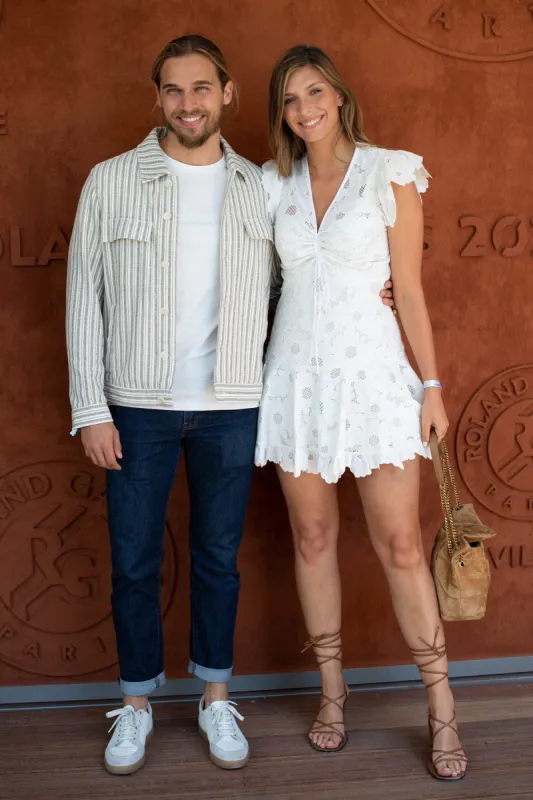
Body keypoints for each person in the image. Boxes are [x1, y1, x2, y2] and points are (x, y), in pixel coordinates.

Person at [66, 34, 398, 775]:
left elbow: (303, 273)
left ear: (226, 95)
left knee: (219, 558)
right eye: (174, 91)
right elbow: (81, 299)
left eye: (202, 89)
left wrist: (371, 292)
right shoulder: (110, 180)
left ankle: (216, 698)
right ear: (158, 98)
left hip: (231, 404)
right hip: (136, 408)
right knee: (132, 561)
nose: (189, 104)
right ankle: (137, 705)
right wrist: (91, 407)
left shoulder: (261, 186)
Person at [255, 45, 467, 781]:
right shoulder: (268, 181)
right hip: (294, 382)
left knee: (401, 544)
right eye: (288, 99)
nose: (303, 108)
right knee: (311, 536)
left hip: (374, 379)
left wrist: (431, 385)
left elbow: (405, 289)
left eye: (313, 91)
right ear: (279, 112)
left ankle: (440, 706)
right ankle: (333, 695)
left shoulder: (390, 171)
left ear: (338, 95)